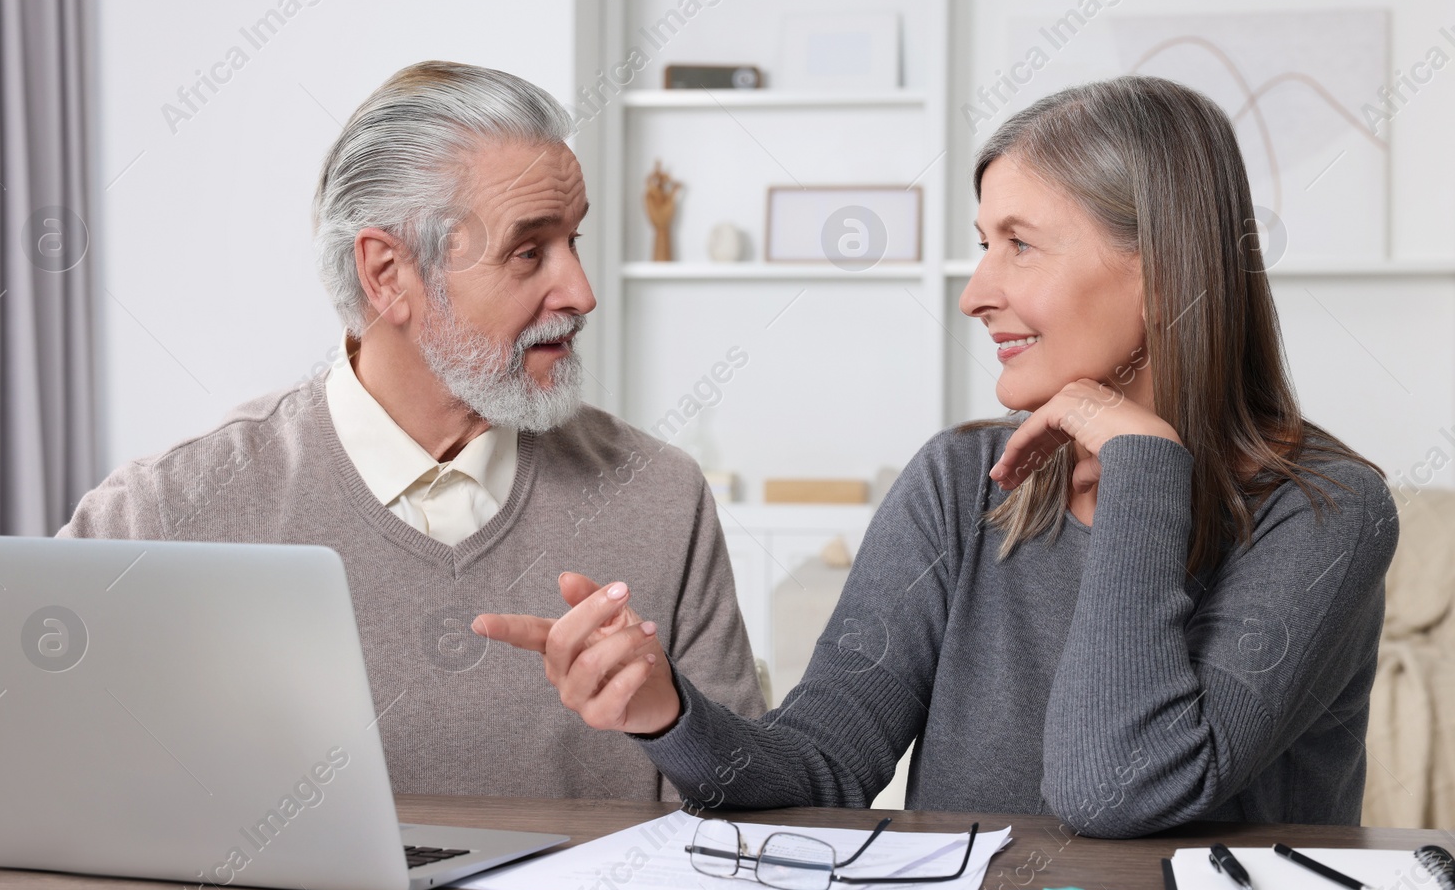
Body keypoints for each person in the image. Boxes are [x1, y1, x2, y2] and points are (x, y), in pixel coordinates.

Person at [475, 75, 1401, 839]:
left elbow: (1117, 791)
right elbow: (825, 764)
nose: (977, 291)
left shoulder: (1327, 512)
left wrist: (1144, 469)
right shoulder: (963, 482)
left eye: (1019, 246)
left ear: (1164, 269)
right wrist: (668, 711)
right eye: (981, 244)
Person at [0, 61, 764, 808]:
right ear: (388, 274)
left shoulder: (657, 494)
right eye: (531, 250)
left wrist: (670, 717)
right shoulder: (187, 501)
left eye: (574, 240)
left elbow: (763, 806)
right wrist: (98, 726)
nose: (580, 290)